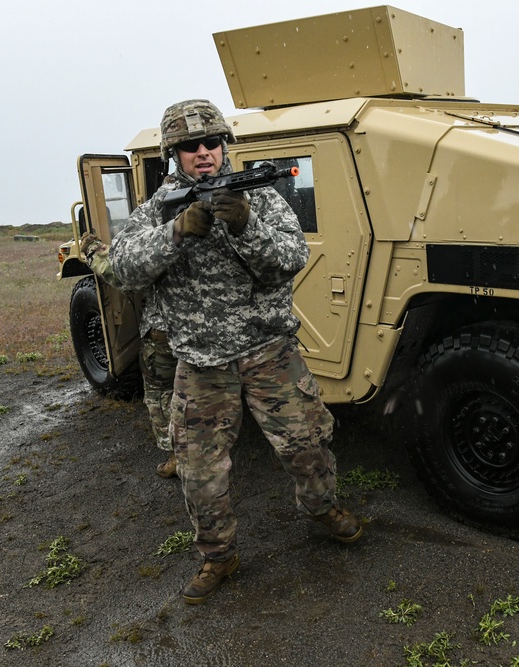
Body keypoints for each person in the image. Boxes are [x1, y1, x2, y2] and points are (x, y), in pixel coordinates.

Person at [109, 99, 361, 605]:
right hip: (201, 363)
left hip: (268, 349)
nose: (203, 153)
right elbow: (123, 270)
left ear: (225, 145)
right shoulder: (157, 210)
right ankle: (219, 556)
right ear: (172, 153)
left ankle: (321, 509)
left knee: (307, 446)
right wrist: (175, 234)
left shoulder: (259, 196)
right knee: (200, 471)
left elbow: (291, 257)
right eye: (189, 146)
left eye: (211, 142)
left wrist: (247, 225)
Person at [78, 233, 179, 479]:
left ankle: (178, 457)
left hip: (166, 332)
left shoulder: (163, 234)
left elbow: (125, 273)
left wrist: (93, 250)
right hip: (216, 334)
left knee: (161, 391)